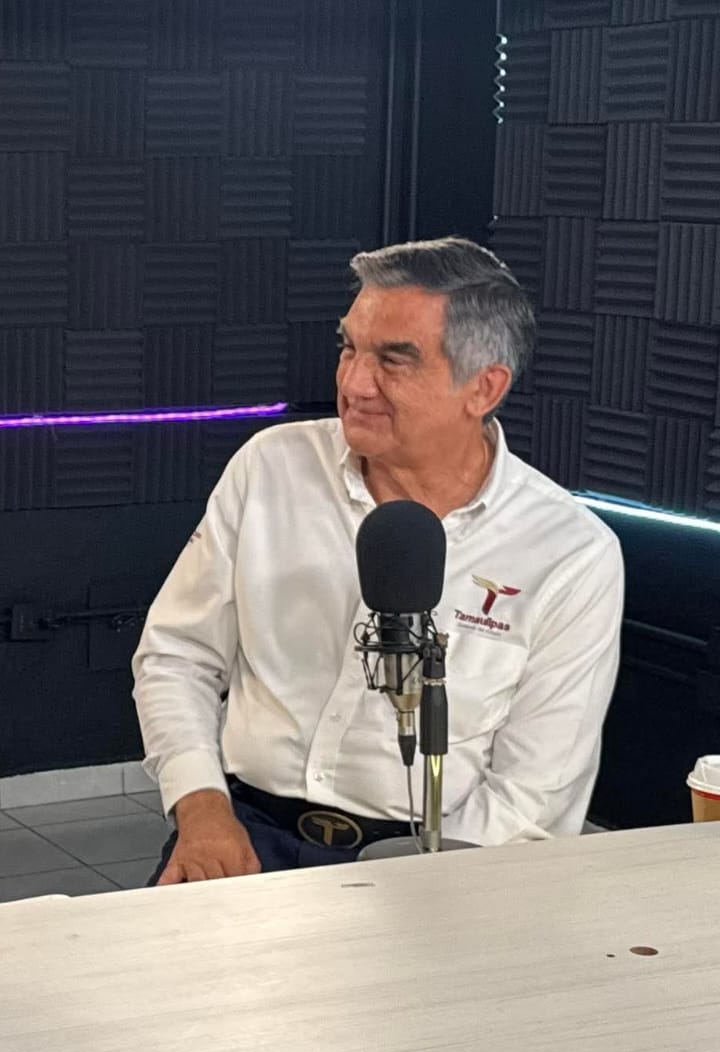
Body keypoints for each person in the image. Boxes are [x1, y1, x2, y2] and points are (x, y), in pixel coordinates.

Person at [133, 236, 624, 884]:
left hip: (439, 863)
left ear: (484, 387)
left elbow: (535, 795)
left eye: (394, 360)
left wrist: (420, 891)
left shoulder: (570, 553)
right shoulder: (270, 467)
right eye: (349, 348)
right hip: (244, 835)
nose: (353, 383)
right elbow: (177, 656)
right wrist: (200, 808)